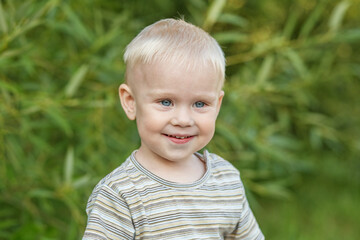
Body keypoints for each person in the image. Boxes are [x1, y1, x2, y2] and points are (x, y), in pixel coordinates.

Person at [83, 18, 264, 240]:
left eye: (200, 104)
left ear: (217, 105)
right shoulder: (120, 194)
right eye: (166, 102)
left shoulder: (226, 179)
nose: (183, 120)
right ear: (131, 102)